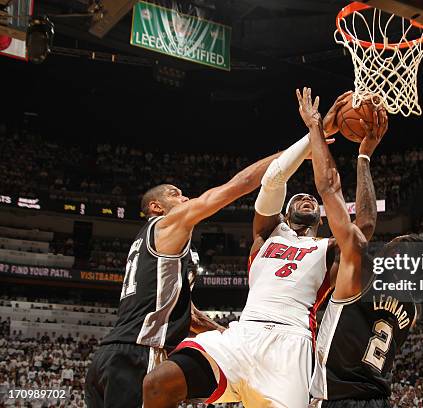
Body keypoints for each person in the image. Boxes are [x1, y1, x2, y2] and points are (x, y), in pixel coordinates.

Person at [141, 89, 387, 408]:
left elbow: (364, 227)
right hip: (242, 337)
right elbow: (273, 179)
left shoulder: (327, 249)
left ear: (322, 219)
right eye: (297, 197)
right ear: (284, 213)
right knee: (158, 383)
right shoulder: (266, 234)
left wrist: (363, 157)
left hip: (291, 347)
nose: (306, 197)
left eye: (311, 199)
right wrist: (315, 129)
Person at [84, 150, 283, 408]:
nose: (185, 197)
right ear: (156, 207)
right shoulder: (165, 226)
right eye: (174, 194)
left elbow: (190, 317)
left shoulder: (148, 249)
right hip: (140, 353)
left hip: (106, 357)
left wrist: (233, 339)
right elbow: (239, 185)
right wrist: (291, 155)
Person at [303, 88, 423, 408]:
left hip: (338, 398)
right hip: (378, 399)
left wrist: (317, 129)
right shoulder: (412, 308)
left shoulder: (362, 276)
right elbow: (366, 228)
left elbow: (331, 191)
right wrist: (363, 157)